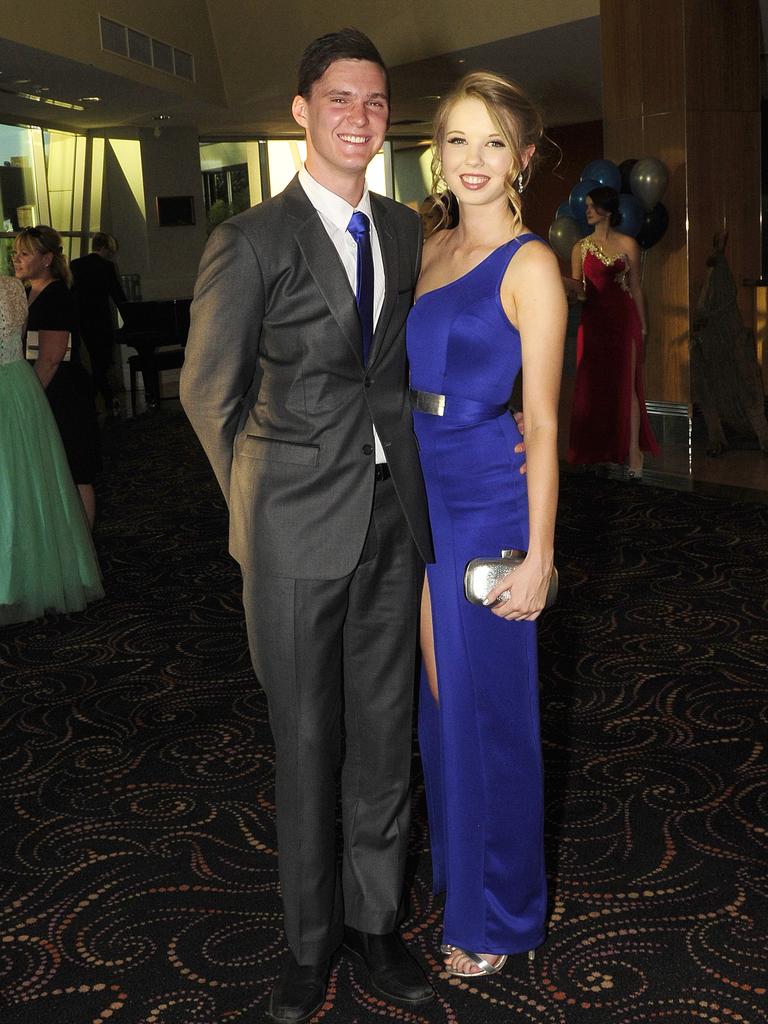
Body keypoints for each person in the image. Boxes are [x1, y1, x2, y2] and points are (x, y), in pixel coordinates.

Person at [180, 29, 437, 1024]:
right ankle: (306, 940)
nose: (360, 117)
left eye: (375, 102)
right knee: (305, 739)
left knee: (383, 734)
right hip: (291, 530)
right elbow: (209, 393)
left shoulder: (406, 230)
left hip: (391, 520)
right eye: (340, 99)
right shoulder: (250, 240)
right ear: (301, 109)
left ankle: (374, 925)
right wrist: (260, 502)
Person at [407, 71, 566, 978]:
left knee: (489, 710)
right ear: (437, 149)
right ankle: (461, 877)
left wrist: (539, 555)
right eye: (459, 140)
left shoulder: (532, 263)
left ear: (526, 159)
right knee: (439, 704)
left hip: (482, 497)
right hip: (414, 496)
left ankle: (500, 915)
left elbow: (540, 422)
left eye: (494, 142)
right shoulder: (426, 245)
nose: (474, 160)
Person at [0, 275, 103, 625]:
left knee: (11, 486)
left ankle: (12, 583)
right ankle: (36, 577)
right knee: (29, 482)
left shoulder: (18, 288)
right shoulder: (14, 287)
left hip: (8, 391)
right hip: (21, 389)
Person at [566, 187, 660, 477]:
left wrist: (642, 325)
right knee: (595, 388)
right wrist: (566, 286)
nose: (588, 211)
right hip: (593, 323)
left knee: (628, 387)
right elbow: (580, 290)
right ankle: (601, 450)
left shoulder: (628, 244)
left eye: (593, 206)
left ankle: (634, 454)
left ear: (607, 210)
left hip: (623, 320)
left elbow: (635, 287)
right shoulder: (579, 248)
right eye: (587, 206)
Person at [13, 226, 101, 528]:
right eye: (15, 253)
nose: (17, 259)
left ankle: (84, 549)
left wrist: (29, 398)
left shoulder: (56, 295)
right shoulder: (26, 293)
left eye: (24, 253)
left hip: (63, 394)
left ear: (47, 258)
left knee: (76, 470)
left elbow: (51, 357)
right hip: (45, 389)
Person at [71, 232, 127, 415]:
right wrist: (129, 319)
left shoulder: (76, 265)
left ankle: (100, 398)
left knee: (93, 360)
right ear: (106, 248)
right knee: (101, 360)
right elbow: (118, 296)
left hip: (81, 319)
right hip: (101, 319)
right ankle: (102, 397)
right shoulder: (107, 267)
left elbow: (71, 293)